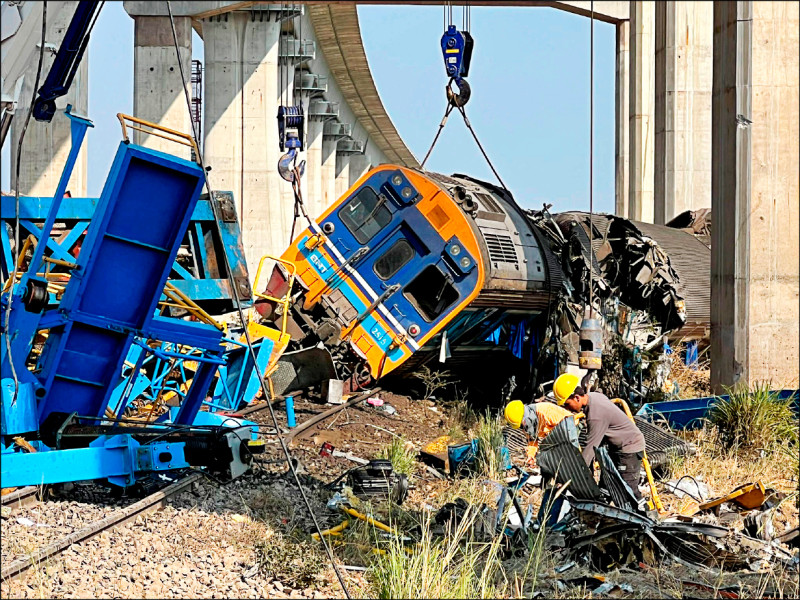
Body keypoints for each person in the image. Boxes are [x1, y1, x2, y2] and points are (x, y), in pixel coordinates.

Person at [553, 373, 646, 500]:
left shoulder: (596, 415)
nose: (567, 409)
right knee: (605, 489)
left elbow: (591, 447)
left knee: (629, 492)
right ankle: (601, 518)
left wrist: (573, 476)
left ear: (576, 398)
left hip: (629, 449)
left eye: (567, 404)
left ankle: (647, 517)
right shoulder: (593, 396)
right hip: (616, 448)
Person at [503, 398, 575, 467]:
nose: (523, 429)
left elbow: (571, 425)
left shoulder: (547, 412)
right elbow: (532, 441)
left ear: (524, 417)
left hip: (572, 437)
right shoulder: (528, 423)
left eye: (522, 425)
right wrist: (531, 456)